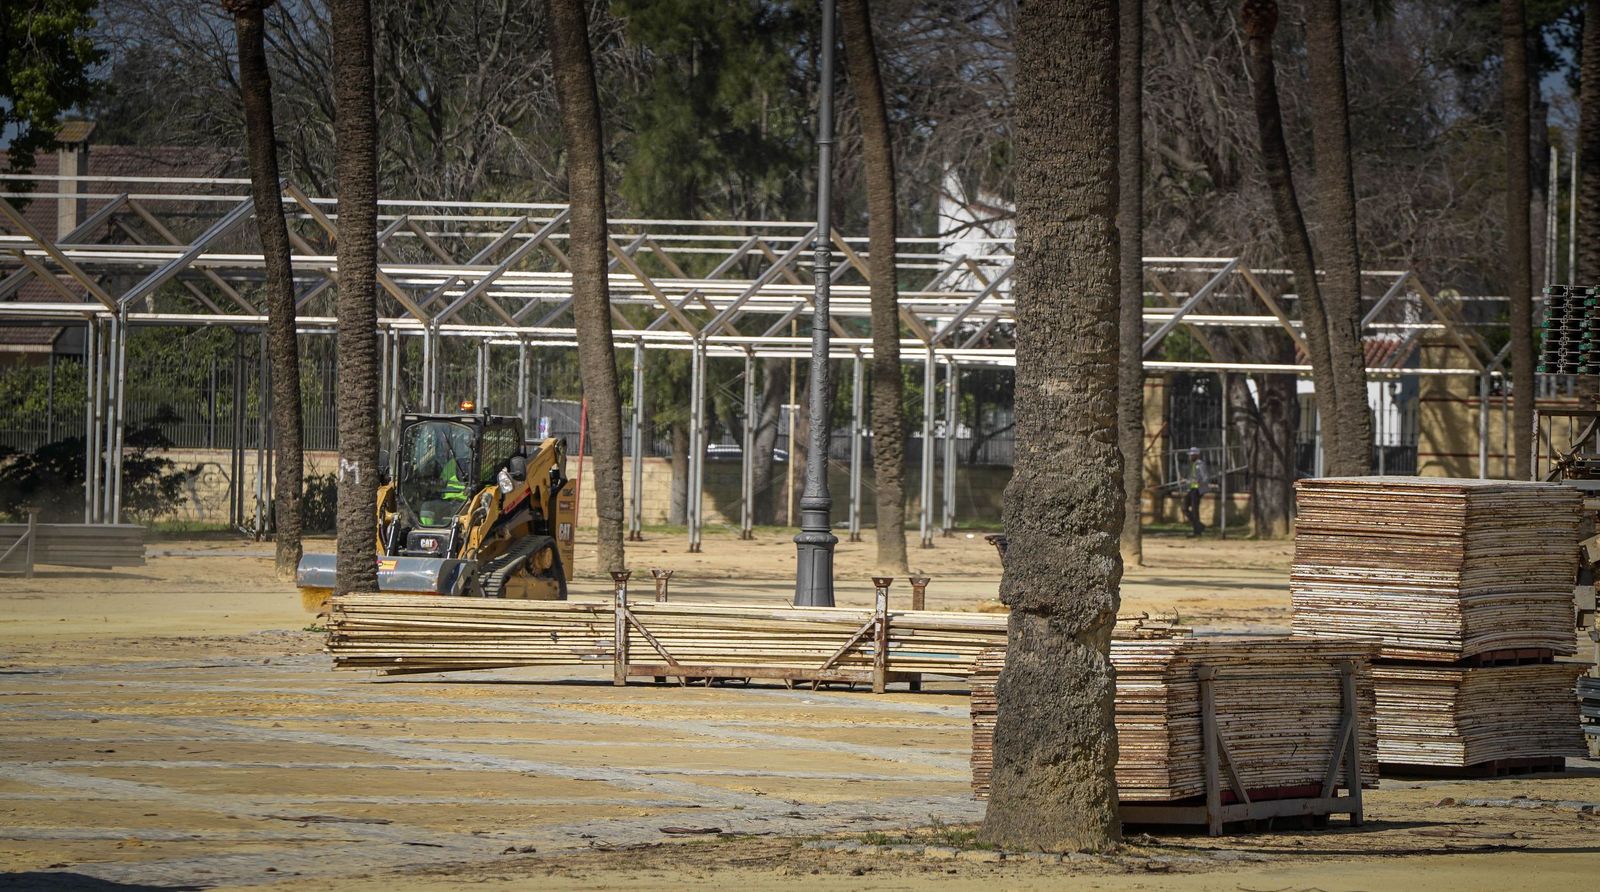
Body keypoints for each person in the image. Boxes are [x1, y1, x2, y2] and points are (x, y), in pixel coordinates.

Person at [1182, 446, 1210, 538]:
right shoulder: (1192, 464)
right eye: (1190, 455)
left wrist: (1198, 483)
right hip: (1191, 488)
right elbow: (1191, 477)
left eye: (1192, 455)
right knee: (1184, 507)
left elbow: (1205, 478)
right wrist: (1186, 481)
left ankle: (1197, 531)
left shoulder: (1201, 464)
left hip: (1197, 489)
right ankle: (1199, 526)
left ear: (1197, 455)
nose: (1191, 456)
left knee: (1194, 509)